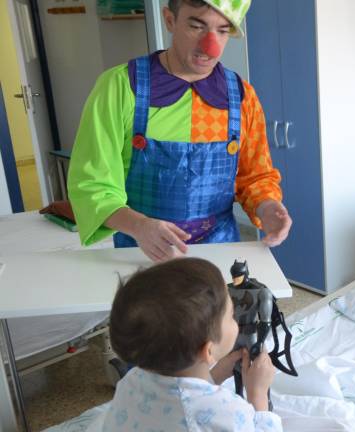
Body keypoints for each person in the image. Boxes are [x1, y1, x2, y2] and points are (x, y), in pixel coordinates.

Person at [68, 0, 291, 262]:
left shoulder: (242, 97)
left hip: (220, 252)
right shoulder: (120, 87)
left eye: (222, 30)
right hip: (142, 254)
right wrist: (139, 226)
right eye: (197, 26)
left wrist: (267, 207)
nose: (211, 46)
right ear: (170, 20)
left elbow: (255, 177)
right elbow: (92, 184)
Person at [102, 257, 282, 431]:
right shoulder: (228, 412)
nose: (236, 320)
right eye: (231, 315)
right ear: (208, 350)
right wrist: (257, 395)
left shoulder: (130, 382)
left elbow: (180, 394)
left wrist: (214, 375)